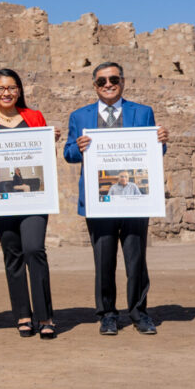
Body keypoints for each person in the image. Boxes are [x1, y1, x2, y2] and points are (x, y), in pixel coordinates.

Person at [64, 62, 168, 336]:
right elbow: (68, 154)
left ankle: (139, 312)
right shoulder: (80, 116)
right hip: (100, 202)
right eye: (102, 81)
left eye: (113, 79)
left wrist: (161, 141)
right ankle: (107, 314)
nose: (108, 84)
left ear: (123, 81)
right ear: (94, 85)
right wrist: (78, 147)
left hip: (135, 201)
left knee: (136, 260)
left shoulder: (142, 112)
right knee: (104, 260)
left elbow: (154, 151)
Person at [0, 68, 61, 340]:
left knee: (34, 249)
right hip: (1, 200)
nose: (6, 93)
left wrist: (50, 141)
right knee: (13, 256)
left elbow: (44, 157)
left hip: (33, 199)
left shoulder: (34, 117)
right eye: (0, 89)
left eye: (11, 88)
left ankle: (45, 316)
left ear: (19, 90)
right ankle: (23, 314)